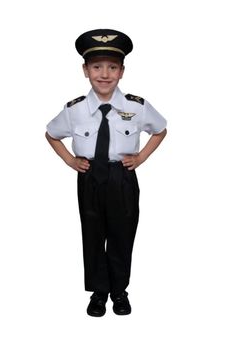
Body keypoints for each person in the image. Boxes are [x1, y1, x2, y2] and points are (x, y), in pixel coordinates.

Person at [45, 29, 167, 317]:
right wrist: (70, 161)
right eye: (97, 66)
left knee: (122, 234)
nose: (104, 74)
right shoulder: (74, 110)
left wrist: (141, 157)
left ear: (122, 72)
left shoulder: (137, 107)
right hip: (89, 179)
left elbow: (160, 130)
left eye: (112, 67)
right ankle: (99, 293)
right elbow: (51, 134)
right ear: (85, 70)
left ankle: (119, 291)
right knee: (93, 234)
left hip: (121, 178)